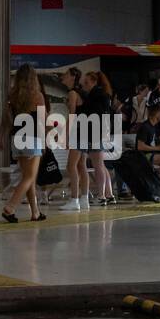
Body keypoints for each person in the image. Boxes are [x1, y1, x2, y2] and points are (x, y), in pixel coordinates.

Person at [0, 64, 48, 222]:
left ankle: (35, 212)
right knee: (29, 177)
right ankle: (10, 207)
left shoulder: (12, 95)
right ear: (34, 78)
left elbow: (5, 120)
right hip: (32, 139)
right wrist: (45, 140)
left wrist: (0, 138)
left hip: (16, 140)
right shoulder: (37, 96)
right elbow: (42, 121)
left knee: (29, 177)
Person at [82, 70, 116, 204]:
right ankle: (109, 194)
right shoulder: (104, 95)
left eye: (86, 82)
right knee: (101, 165)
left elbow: (95, 115)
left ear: (94, 82)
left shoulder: (95, 95)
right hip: (102, 132)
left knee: (98, 165)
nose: (84, 85)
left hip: (96, 132)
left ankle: (101, 196)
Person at [58, 67, 90, 211]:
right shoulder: (81, 93)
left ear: (72, 77)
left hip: (78, 131)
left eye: (65, 74)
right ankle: (84, 199)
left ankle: (74, 200)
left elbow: (72, 115)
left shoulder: (72, 93)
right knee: (81, 166)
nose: (63, 76)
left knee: (71, 166)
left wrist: (65, 135)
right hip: (85, 130)